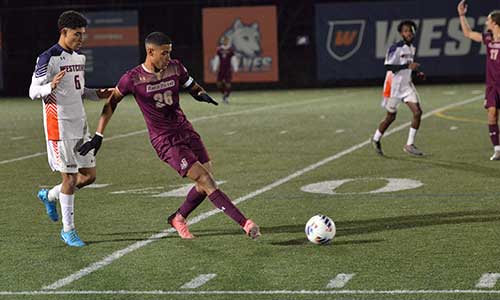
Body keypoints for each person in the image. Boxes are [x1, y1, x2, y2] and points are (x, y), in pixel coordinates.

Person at [78, 32, 260, 240]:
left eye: (169, 53)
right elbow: (111, 102)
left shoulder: (176, 67)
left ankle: (178, 218)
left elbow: (192, 86)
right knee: (205, 179)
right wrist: (98, 135)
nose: (167, 58)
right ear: (150, 52)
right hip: (165, 141)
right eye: (164, 53)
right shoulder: (132, 78)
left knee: (205, 180)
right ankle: (245, 223)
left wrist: (200, 95)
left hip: (185, 130)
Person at [29, 11, 112, 247]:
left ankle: (49, 195)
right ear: (63, 32)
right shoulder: (48, 58)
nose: (81, 39)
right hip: (60, 126)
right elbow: (33, 91)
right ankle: (68, 231)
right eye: (77, 34)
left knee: (89, 177)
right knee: (71, 178)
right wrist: (49, 87)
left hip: (81, 124)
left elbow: (79, 90)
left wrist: (98, 94)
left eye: (83, 35)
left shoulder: (79, 58)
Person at [371, 20, 426, 156]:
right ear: (401, 33)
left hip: (407, 86)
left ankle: (409, 145)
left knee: (418, 112)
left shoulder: (412, 48)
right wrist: (408, 67)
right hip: (393, 87)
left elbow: (407, 66)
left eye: (411, 30)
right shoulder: (395, 47)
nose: (409, 33)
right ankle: (376, 138)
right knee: (390, 117)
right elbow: (388, 66)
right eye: (406, 30)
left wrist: (416, 73)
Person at [458, 1, 500, 160]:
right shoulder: (488, 38)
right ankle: (497, 149)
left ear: (495, 22)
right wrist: (461, 15)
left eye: (488, 20)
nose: (486, 22)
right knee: (492, 114)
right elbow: (468, 33)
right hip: (492, 85)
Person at [212, 36, 238, 104]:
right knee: (219, 84)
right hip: (221, 69)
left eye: (226, 40)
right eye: (224, 40)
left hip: (228, 69)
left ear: (228, 41)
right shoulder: (219, 49)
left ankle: (226, 97)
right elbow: (217, 58)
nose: (225, 41)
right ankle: (224, 94)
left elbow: (233, 59)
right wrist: (215, 67)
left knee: (228, 84)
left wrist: (235, 67)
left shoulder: (230, 49)